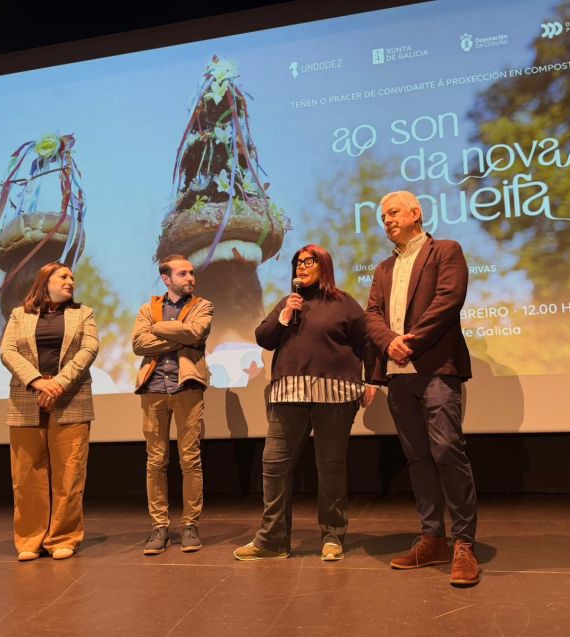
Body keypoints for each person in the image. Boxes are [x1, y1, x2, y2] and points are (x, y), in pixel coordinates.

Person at [365, 191, 481, 586]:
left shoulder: (445, 250)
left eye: (393, 212)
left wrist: (409, 341)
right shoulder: (382, 269)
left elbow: (449, 299)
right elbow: (372, 315)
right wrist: (387, 343)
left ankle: (464, 542)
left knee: (447, 449)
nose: (387, 220)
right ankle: (433, 538)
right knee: (417, 457)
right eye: (383, 216)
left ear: (416, 213)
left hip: (435, 369)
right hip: (399, 376)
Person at [233, 244, 376, 562]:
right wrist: (283, 318)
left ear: (324, 265)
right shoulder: (288, 303)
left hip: (335, 395)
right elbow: (263, 337)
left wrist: (372, 381)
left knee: (330, 466)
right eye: (297, 262)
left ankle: (333, 536)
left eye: (308, 261)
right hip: (289, 394)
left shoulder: (344, 303)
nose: (300, 266)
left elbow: (366, 342)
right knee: (274, 465)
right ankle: (273, 540)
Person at [0, 262, 99, 562]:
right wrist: (38, 382)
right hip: (25, 401)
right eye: (64, 277)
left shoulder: (84, 314)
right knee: (26, 475)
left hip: (70, 400)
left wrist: (57, 384)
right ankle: (30, 539)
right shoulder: (20, 314)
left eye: (72, 278)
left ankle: (62, 538)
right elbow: (8, 351)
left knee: (69, 476)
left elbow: (89, 349)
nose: (71, 281)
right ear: (45, 282)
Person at [132, 254, 213, 555]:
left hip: (186, 388)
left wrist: (158, 329)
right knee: (156, 461)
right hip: (153, 389)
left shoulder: (203, 306)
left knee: (189, 460)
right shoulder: (146, 308)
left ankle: (190, 525)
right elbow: (138, 344)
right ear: (167, 279)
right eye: (183, 274)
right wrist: (177, 335)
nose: (190, 278)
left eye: (192, 273)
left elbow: (195, 333)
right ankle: (160, 527)